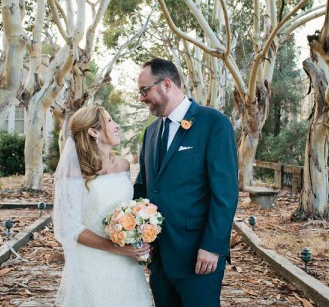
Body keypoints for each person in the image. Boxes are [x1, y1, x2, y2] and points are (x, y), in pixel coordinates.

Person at [134, 57, 239, 307]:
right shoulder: (150, 132)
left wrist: (213, 247)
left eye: (144, 90)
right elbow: (143, 187)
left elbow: (225, 193)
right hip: (159, 258)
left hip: (198, 256)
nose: (141, 98)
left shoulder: (214, 123)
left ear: (167, 84)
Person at [53, 105, 153, 307]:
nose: (116, 125)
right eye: (109, 121)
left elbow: (129, 208)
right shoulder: (75, 173)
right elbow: (70, 227)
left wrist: (139, 232)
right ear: (93, 131)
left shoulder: (123, 165)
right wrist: (116, 249)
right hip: (92, 263)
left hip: (127, 265)